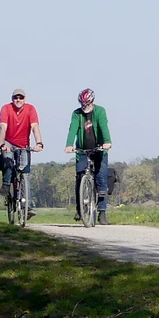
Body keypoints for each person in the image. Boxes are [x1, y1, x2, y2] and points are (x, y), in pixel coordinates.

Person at [65, 87, 113, 223]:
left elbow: (104, 127)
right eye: (82, 104)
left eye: (87, 104)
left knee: (101, 177)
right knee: (80, 176)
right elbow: (72, 128)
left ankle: (102, 211)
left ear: (92, 102)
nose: (84, 106)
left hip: (99, 149)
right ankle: (80, 210)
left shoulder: (100, 111)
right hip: (82, 150)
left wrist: (107, 142)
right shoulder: (77, 114)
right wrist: (69, 144)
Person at [0, 88, 44, 216]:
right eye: (15, 98)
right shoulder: (6, 109)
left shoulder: (30, 109)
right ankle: (6, 184)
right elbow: (3, 127)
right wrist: (2, 144)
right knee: (7, 160)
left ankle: (26, 206)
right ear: (12, 99)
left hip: (24, 144)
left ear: (25, 99)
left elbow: (35, 127)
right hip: (8, 142)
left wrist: (39, 143)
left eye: (21, 98)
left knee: (25, 174)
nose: (18, 100)